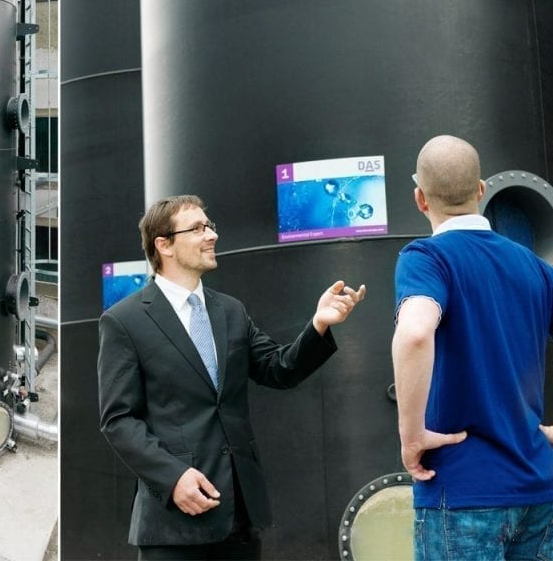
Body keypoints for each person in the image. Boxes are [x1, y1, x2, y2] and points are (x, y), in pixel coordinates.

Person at [97, 194, 365, 560]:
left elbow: (279, 368)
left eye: (210, 226)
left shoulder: (230, 311)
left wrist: (319, 325)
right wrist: (173, 478)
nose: (212, 235)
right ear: (164, 245)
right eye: (197, 228)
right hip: (173, 525)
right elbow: (119, 419)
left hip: (239, 516)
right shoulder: (124, 320)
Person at [392, 135, 553, 560]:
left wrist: (411, 436)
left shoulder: (426, 258)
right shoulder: (534, 267)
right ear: (481, 190)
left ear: (420, 198)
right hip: (539, 488)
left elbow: (414, 333)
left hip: (462, 490)